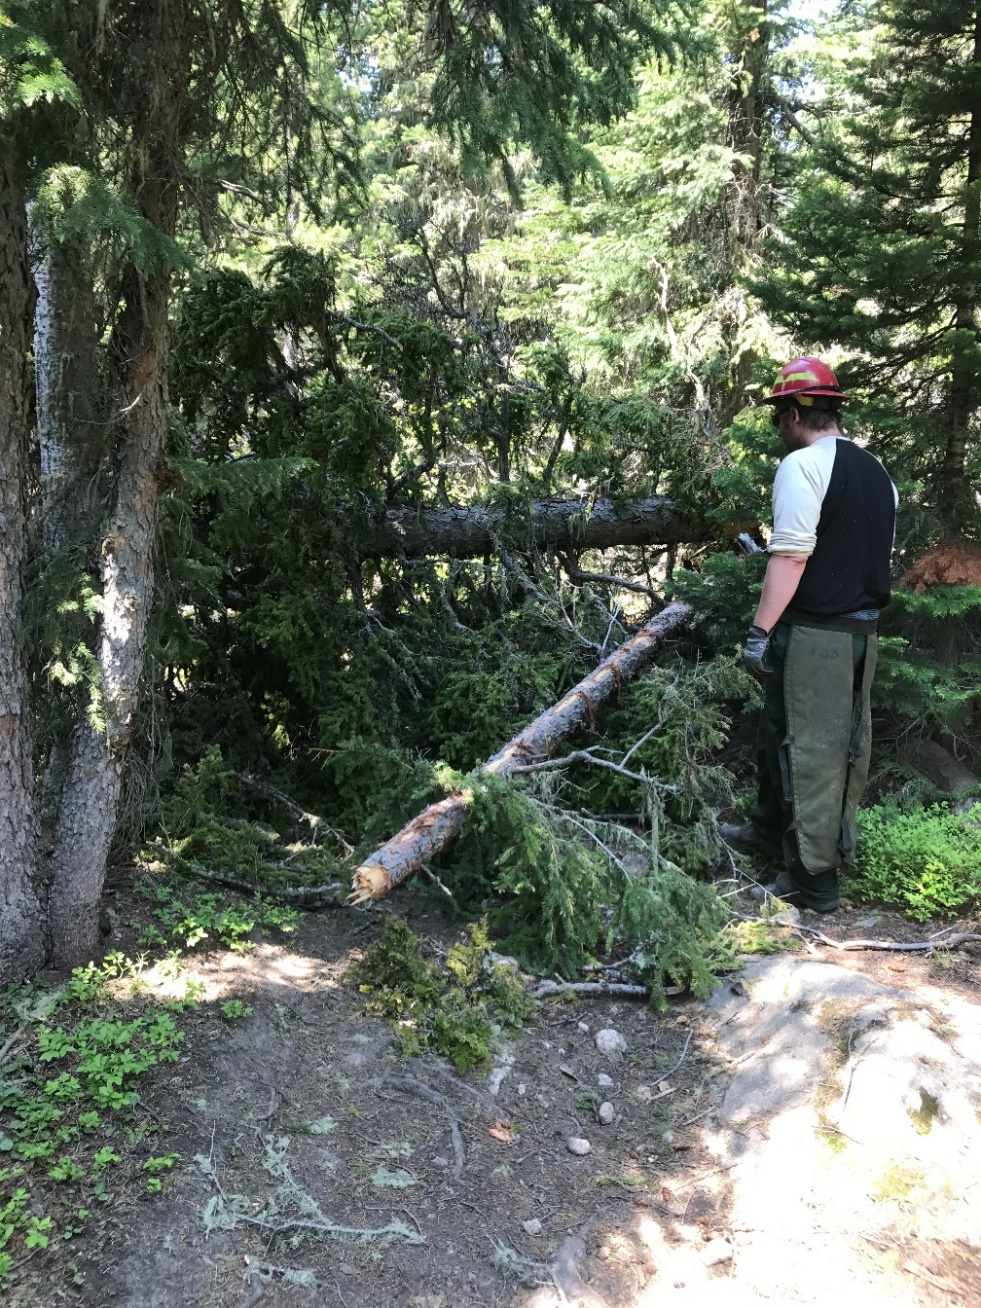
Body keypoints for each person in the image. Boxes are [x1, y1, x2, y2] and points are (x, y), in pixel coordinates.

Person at [720, 357, 898, 912]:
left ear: (797, 413)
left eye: (780, 416)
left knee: (815, 757)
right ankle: (768, 833)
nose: (779, 428)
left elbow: (792, 558)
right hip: (858, 638)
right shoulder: (877, 472)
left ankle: (813, 885)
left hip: (818, 638)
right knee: (781, 733)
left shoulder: (802, 467)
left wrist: (758, 631)